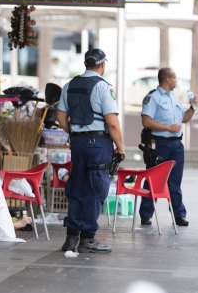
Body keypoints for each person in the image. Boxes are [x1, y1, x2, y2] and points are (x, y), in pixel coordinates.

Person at [56, 48, 125, 254]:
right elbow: (112, 123)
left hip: (77, 143)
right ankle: (87, 238)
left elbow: (60, 117)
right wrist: (120, 147)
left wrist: (74, 132)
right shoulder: (104, 88)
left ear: (86, 64)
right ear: (102, 65)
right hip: (98, 144)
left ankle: (71, 238)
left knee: (77, 186)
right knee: (96, 189)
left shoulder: (69, 85)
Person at [138, 67, 197, 227]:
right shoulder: (153, 97)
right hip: (159, 144)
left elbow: (183, 119)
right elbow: (146, 121)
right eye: (175, 77)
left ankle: (178, 215)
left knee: (175, 182)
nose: (176, 81)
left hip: (177, 144)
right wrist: (167, 128)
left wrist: (193, 108)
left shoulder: (174, 97)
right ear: (168, 79)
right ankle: (145, 214)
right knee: (153, 179)